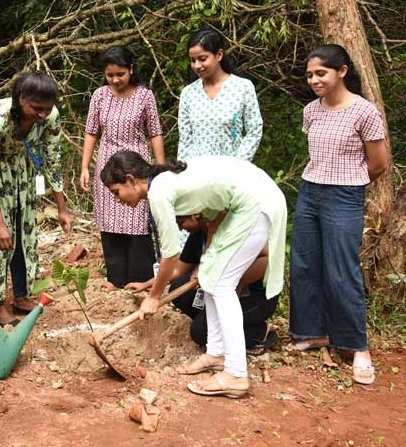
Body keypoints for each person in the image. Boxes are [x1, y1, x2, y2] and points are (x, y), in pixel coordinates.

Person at [100, 150, 287, 398]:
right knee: (212, 278)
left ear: (131, 179)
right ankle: (216, 352)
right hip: (244, 204)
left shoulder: (159, 193)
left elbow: (170, 256)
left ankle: (236, 374)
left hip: (257, 202)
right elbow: (216, 218)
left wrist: (154, 297)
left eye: (116, 192)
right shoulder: (165, 183)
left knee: (222, 285)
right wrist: (208, 261)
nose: (117, 199)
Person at [287, 44, 387, 386]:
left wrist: (350, 186)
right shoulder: (311, 111)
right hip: (310, 191)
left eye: (321, 73)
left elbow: (379, 164)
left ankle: (357, 347)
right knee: (304, 263)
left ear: (342, 71)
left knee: (341, 269)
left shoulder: (364, 111)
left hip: (344, 195)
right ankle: (314, 333)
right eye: (310, 74)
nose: (314, 80)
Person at [0, 70, 74, 326]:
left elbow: (52, 160)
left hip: (21, 167)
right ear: (20, 100)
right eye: (36, 108)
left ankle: (21, 294)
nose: (42, 115)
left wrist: (62, 208)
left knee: (24, 231)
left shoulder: (50, 116)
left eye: (47, 109)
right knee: (0, 239)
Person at [125, 212, 279, 356]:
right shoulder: (198, 234)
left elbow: (266, 257)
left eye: (181, 222)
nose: (180, 228)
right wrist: (146, 284)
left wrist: (218, 275)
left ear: (195, 216)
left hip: (254, 297)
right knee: (180, 289)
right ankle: (210, 321)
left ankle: (258, 333)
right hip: (217, 291)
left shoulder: (234, 232)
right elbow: (178, 269)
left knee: (201, 333)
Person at [79, 46, 165, 292]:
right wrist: (85, 166)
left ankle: (140, 277)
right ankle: (115, 278)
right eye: (110, 75)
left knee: (136, 220)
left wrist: (160, 169)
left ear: (131, 70)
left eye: (120, 74)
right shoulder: (99, 96)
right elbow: (91, 132)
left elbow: (155, 132)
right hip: (107, 167)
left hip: (135, 166)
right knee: (109, 222)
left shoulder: (144, 96)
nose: (115, 80)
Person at [177, 28, 262, 162]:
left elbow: (254, 129)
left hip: (233, 172)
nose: (197, 65)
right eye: (193, 60)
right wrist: (183, 172)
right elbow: (185, 140)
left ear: (219, 55)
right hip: (198, 174)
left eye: (202, 59)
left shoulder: (242, 87)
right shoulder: (188, 94)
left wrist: (239, 163)